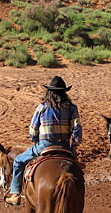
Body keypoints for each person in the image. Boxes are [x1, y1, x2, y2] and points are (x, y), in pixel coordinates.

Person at [6, 76, 82, 205]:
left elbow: (33, 130)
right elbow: (77, 129)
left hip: (45, 145)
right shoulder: (72, 108)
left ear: (49, 92)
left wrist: (36, 142)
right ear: (64, 93)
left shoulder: (42, 108)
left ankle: (15, 193)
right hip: (64, 146)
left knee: (18, 161)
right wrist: (73, 146)